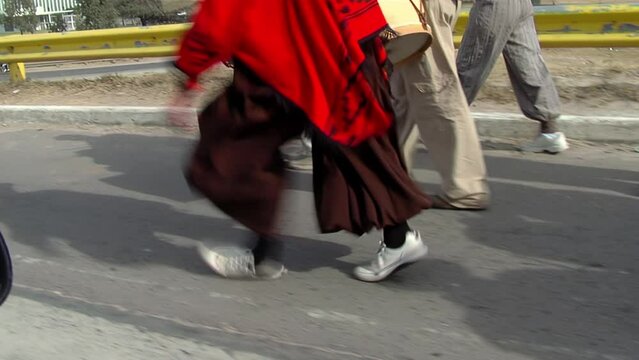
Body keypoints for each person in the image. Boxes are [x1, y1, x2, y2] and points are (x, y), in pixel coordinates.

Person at [169, 0, 432, 282]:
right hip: (344, 31)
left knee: (236, 140)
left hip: (290, 42)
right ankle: (398, 237)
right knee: (354, 140)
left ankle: (263, 256)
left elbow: (221, 14)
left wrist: (188, 73)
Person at [390, 0, 490, 210]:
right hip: (417, 6)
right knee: (407, 92)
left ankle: (465, 187)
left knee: (434, 89)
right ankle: (393, 177)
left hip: (418, 5)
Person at [457, 0, 569, 154]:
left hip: (494, 5)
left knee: (469, 66)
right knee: (529, 64)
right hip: (521, 5)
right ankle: (550, 132)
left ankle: (441, 127)